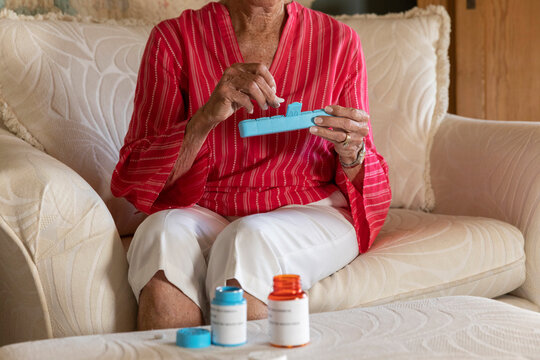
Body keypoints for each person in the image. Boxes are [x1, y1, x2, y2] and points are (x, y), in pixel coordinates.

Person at [111, 0, 391, 330]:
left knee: (247, 240)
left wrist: (351, 151)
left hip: (310, 207)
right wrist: (205, 117)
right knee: (158, 235)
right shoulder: (173, 39)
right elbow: (135, 175)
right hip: (206, 206)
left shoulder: (339, 40)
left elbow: (367, 181)